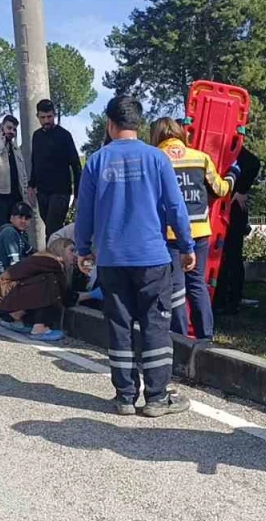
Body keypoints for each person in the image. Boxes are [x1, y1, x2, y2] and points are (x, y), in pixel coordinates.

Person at [76, 95, 195, 417]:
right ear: (138, 125)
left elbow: (84, 212)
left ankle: (125, 396)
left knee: (119, 326)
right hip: (152, 257)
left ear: (109, 124)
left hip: (112, 259)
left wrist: (83, 250)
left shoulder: (96, 161)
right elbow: (175, 207)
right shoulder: (156, 159)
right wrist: (186, 246)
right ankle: (157, 397)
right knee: (155, 324)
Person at [151, 117, 236, 340]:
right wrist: (233, 174)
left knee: (175, 286)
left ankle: (179, 338)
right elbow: (220, 189)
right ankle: (205, 337)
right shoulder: (200, 157)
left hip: (170, 234)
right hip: (199, 231)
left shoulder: (154, 159)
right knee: (197, 284)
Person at [0, 237, 76, 342]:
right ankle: (39, 328)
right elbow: (62, 294)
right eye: (72, 250)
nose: (75, 255)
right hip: (3, 300)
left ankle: (15, 317)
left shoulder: (43, 259)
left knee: (48, 284)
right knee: (49, 281)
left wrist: (88, 295)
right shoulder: (51, 263)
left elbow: (66, 296)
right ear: (60, 249)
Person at [214, 147, 263, 316]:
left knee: (232, 256)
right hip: (221, 207)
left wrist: (240, 190)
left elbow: (253, 163)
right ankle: (222, 297)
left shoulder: (233, 149)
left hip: (231, 210)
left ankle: (231, 299)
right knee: (224, 256)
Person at [29, 99, 81, 237]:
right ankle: (60, 249)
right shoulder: (36, 136)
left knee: (52, 229)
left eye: (49, 117)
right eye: (43, 117)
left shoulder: (64, 136)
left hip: (61, 192)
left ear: (54, 115)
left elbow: (76, 166)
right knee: (51, 228)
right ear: (38, 117)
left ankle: (52, 251)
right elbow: (35, 162)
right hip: (42, 192)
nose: (46, 121)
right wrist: (31, 186)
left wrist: (77, 194)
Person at [0, 115, 30, 235]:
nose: (12, 132)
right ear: (1, 126)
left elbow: (22, 173)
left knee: (16, 232)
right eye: (9, 128)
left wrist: (24, 196)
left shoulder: (16, 149)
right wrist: (0, 139)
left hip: (15, 197)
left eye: (14, 129)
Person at [0, 201, 35, 280]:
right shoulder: (10, 232)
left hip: (8, 271)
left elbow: (31, 251)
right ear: (11, 218)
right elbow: (14, 263)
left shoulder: (21, 234)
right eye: (20, 217)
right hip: (0, 274)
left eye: (27, 218)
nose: (23, 221)